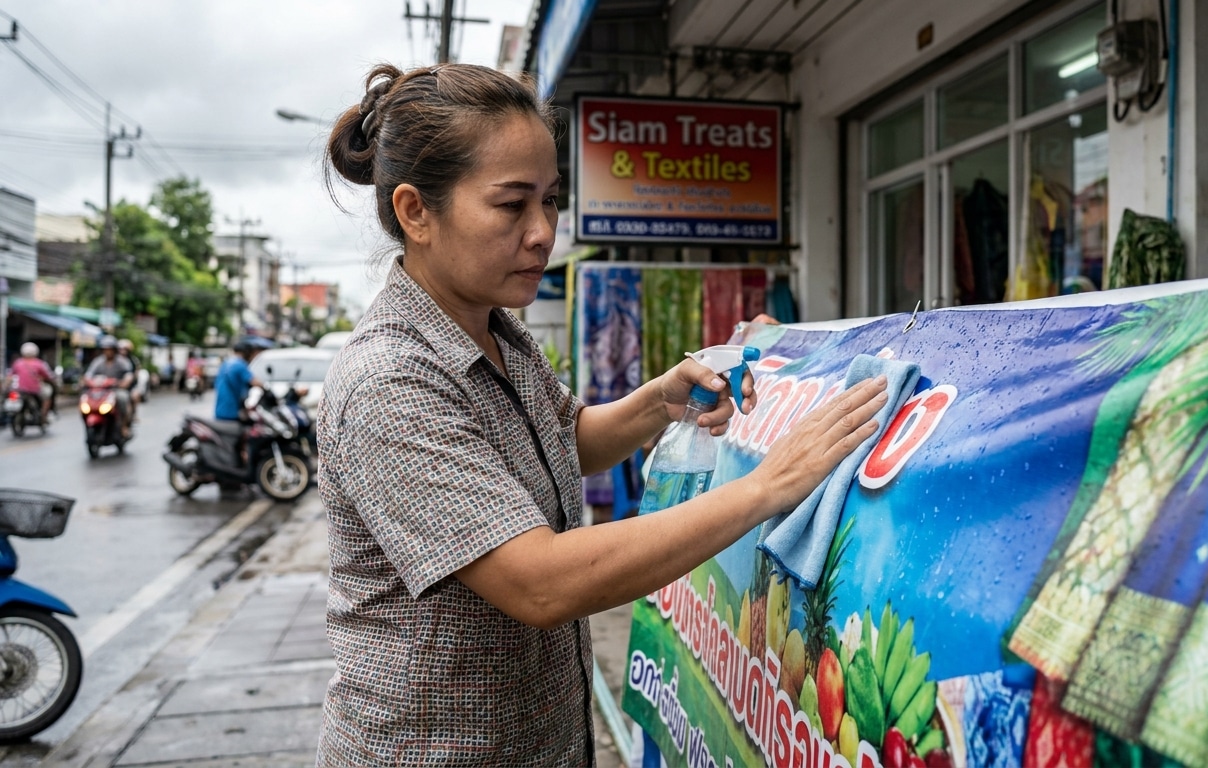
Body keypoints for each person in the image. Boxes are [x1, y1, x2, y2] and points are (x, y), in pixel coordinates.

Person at [315, 63, 889, 767]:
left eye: (551, 200)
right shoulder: (390, 383)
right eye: (510, 205)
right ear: (415, 212)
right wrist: (769, 486)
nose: (542, 233)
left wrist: (657, 401)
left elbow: (558, 441)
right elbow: (541, 580)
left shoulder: (495, 328)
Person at [84, 336, 135, 437]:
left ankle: (124, 426)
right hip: (100, 391)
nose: (108, 352)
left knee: (123, 398)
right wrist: (86, 381)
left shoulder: (122, 361)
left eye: (110, 349)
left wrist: (125, 382)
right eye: (105, 349)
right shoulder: (98, 361)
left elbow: (128, 374)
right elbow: (88, 374)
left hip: (115, 390)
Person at [213, 341, 265, 424]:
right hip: (231, 411)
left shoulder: (226, 363)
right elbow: (255, 382)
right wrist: (266, 387)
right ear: (247, 352)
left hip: (220, 410)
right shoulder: (240, 365)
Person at [10, 343, 58, 425]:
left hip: (19, 389)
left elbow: (10, 375)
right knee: (47, 397)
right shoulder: (39, 364)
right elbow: (49, 376)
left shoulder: (18, 363)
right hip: (35, 390)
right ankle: (43, 416)